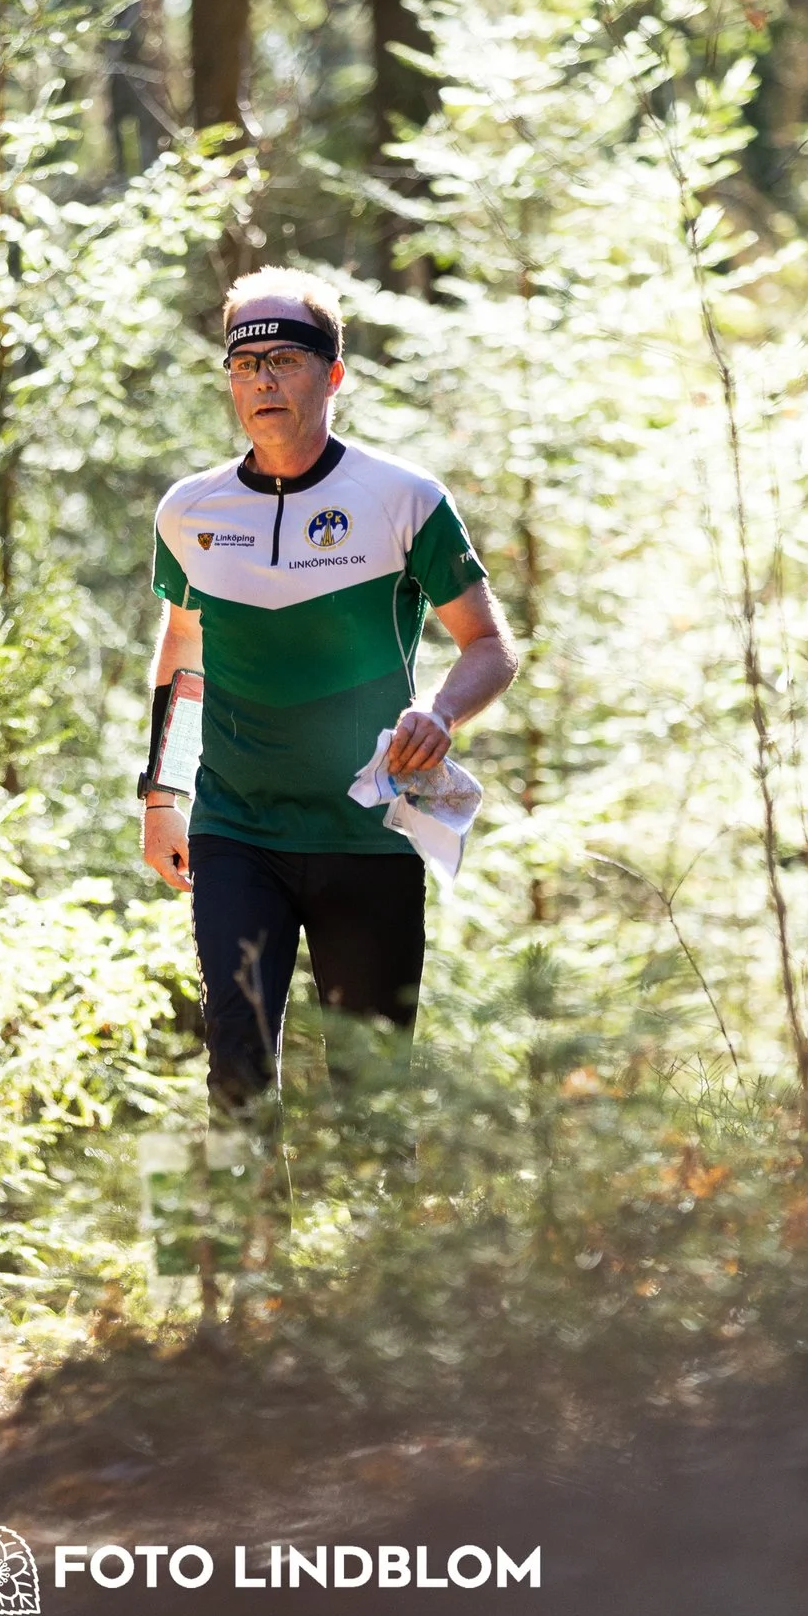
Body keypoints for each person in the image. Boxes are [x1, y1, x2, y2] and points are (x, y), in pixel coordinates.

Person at [139, 267, 519, 1122]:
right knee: (235, 1074)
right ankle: (237, 1257)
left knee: (370, 1093)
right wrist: (163, 796)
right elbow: (183, 648)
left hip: (369, 832)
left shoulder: (405, 499)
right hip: (238, 829)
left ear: (333, 374)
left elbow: (490, 646)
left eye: (286, 360)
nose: (263, 381)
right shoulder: (188, 510)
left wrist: (442, 714)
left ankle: (372, 1260)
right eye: (245, 365)